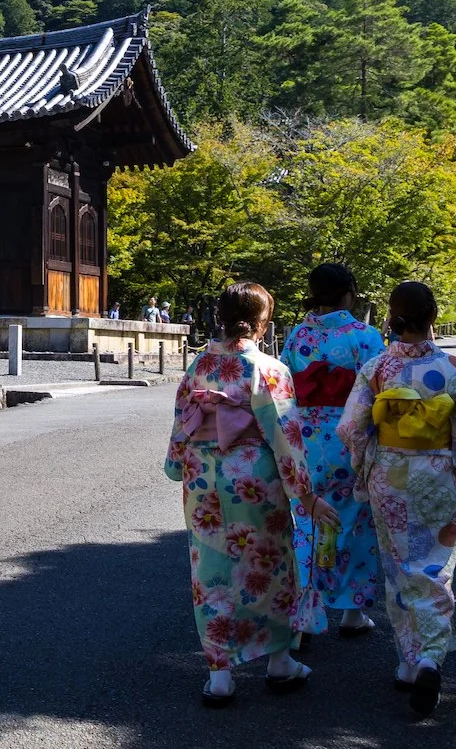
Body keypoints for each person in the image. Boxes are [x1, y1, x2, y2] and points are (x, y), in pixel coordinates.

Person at [166, 281, 337, 706]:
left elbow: (181, 423)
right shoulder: (269, 368)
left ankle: (219, 674)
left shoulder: (198, 368)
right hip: (253, 478)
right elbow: (285, 436)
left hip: (202, 478)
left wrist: (176, 466)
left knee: (211, 569)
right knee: (270, 562)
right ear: (264, 321)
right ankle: (279, 661)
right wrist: (305, 496)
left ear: (218, 318)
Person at [337, 281, 456, 719]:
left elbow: (351, 427)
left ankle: (408, 660)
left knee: (398, 565)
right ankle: (430, 658)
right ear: (433, 317)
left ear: (392, 317)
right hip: (434, 473)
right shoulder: (454, 367)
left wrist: (366, 462)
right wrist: (452, 459)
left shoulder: (378, 367)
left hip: (389, 472)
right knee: (434, 566)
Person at [281, 262, 387, 640]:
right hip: (349, 438)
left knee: (307, 520)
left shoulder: (297, 336)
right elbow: (378, 391)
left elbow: (285, 389)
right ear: (349, 293)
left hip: (306, 440)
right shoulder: (365, 336)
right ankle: (351, 612)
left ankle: (306, 612)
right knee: (354, 521)